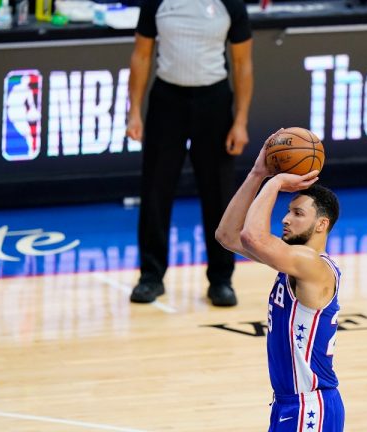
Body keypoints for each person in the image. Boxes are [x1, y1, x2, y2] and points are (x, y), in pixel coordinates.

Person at [215, 130, 345, 431]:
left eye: (297, 213)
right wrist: (258, 172)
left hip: (310, 407)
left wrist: (274, 182)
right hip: (289, 403)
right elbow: (228, 235)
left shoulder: (312, 265)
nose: (285, 219)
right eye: (288, 211)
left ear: (321, 224)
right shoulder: (292, 261)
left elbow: (252, 236)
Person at [126, 0, 253, 306]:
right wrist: (134, 113)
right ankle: (150, 277)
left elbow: (242, 63)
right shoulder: (156, 2)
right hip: (167, 100)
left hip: (214, 100)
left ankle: (221, 280)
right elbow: (142, 55)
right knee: (155, 190)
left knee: (219, 195)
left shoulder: (230, 4)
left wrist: (240, 121)